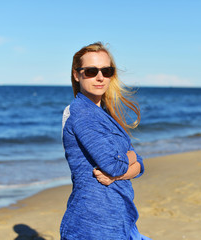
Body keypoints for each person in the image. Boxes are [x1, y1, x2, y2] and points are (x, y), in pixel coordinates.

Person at [60, 42, 150, 240]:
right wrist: (130, 157)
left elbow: (140, 166)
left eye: (106, 70)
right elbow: (113, 165)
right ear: (77, 75)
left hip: (120, 220)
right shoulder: (82, 114)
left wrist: (118, 174)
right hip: (93, 224)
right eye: (91, 71)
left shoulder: (105, 114)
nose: (100, 77)